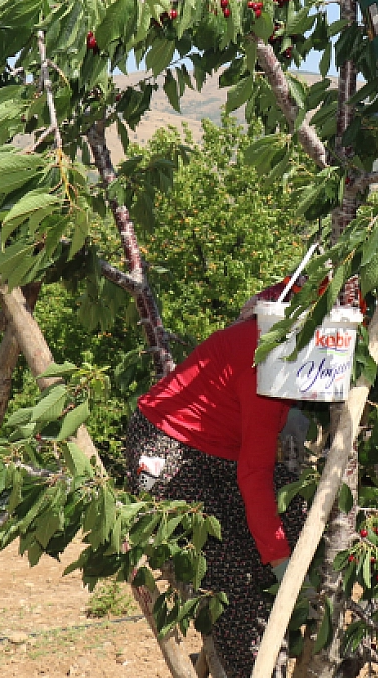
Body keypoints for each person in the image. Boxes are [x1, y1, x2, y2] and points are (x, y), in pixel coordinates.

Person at [126, 285, 310, 678]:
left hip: (222, 454)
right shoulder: (267, 363)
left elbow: (280, 293)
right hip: (168, 448)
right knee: (230, 579)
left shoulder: (289, 323)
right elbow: (255, 475)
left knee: (300, 507)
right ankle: (253, 667)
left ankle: (286, 630)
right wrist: (284, 568)